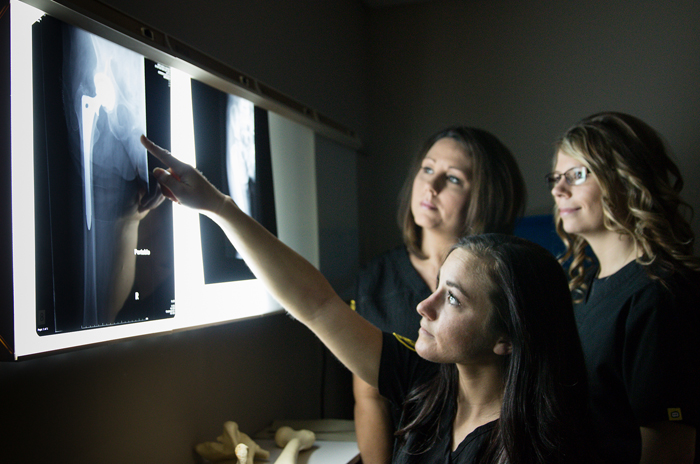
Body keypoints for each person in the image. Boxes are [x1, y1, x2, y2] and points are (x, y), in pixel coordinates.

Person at [140, 135, 596, 464]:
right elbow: (317, 305)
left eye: (452, 300)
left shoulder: (538, 445)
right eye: (436, 288)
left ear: (506, 337)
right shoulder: (427, 386)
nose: (424, 305)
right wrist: (219, 207)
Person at [353, 126, 526, 463]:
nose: (431, 186)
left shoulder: (513, 279)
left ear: (485, 198)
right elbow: (369, 397)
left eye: (454, 179)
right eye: (428, 169)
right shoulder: (378, 277)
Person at [547, 111, 700, 464]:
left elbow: (670, 447)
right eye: (556, 177)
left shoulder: (661, 295)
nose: (558, 189)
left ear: (625, 178)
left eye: (577, 174)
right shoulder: (579, 287)